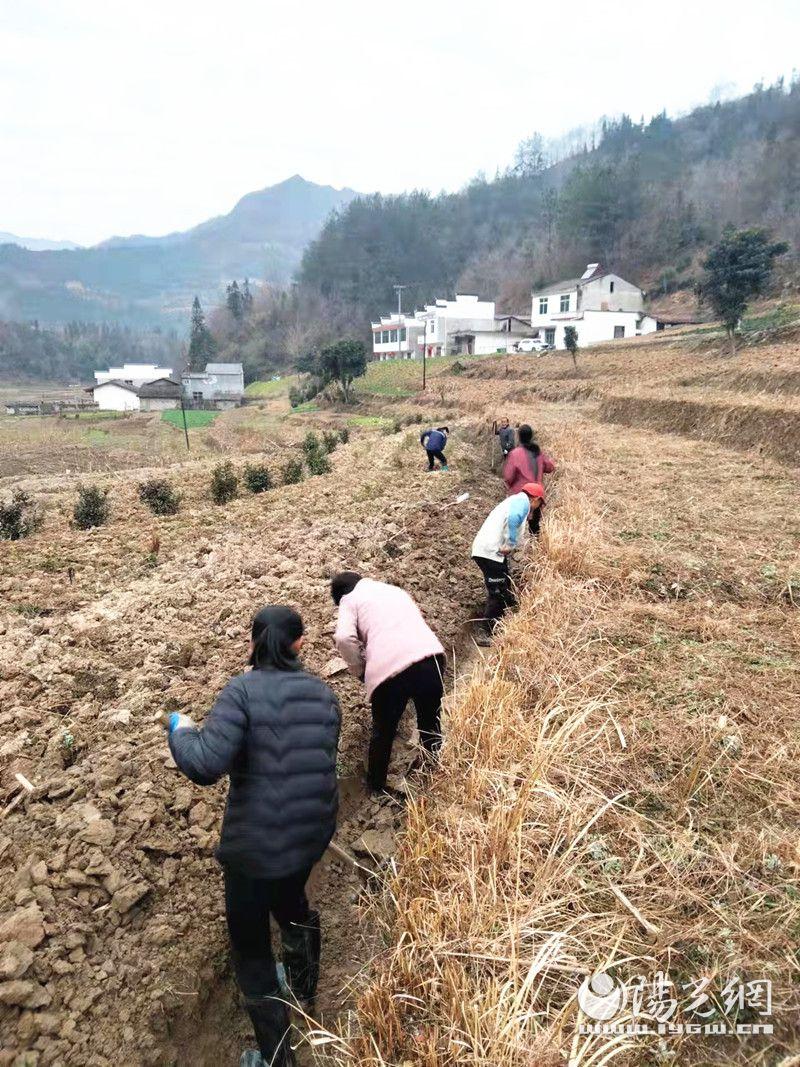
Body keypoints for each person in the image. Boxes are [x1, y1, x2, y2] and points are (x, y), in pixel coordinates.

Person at [166, 606, 340, 1067]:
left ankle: (278, 1059)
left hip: (253, 850)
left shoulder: (241, 691)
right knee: (290, 902)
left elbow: (204, 764)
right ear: (299, 643)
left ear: (252, 644)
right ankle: (304, 989)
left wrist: (181, 730)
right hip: (310, 836)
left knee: (251, 954)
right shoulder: (324, 695)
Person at [331, 573, 445, 792]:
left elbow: (344, 638)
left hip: (392, 670)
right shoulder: (394, 590)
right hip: (431, 657)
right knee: (430, 722)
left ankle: (376, 787)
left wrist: (359, 670)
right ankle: (433, 776)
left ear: (340, 595)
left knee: (384, 730)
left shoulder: (349, 598)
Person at [471, 482, 545, 639]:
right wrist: (509, 543)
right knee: (497, 591)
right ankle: (485, 632)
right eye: (540, 503)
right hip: (490, 552)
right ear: (536, 499)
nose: (538, 507)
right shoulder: (522, 502)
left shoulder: (516, 500)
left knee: (504, 583)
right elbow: (513, 518)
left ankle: (508, 615)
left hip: (490, 551)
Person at [502, 425, 555, 535]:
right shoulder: (538, 452)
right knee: (534, 527)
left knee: (514, 524)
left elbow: (508, 477)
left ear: (519, 437)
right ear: (531, 437)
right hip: (537, 496)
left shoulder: (515, 453)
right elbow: (550, 467)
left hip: (521, 494)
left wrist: (509, 488)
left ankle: (513, 547)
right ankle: (535, 549)